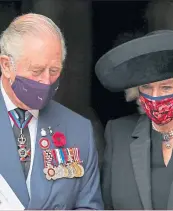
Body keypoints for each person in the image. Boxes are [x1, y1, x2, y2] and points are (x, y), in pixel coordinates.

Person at [95, 27, 173, 209]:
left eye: (166, 87)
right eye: (147, 87)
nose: (155, 96)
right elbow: (106, 205)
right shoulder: (118, 134)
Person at [0, 13, 103, 210]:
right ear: (6, 65)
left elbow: (89, 206)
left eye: (54, 71)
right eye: (37, 71)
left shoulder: (78, 130)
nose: (46, 82)